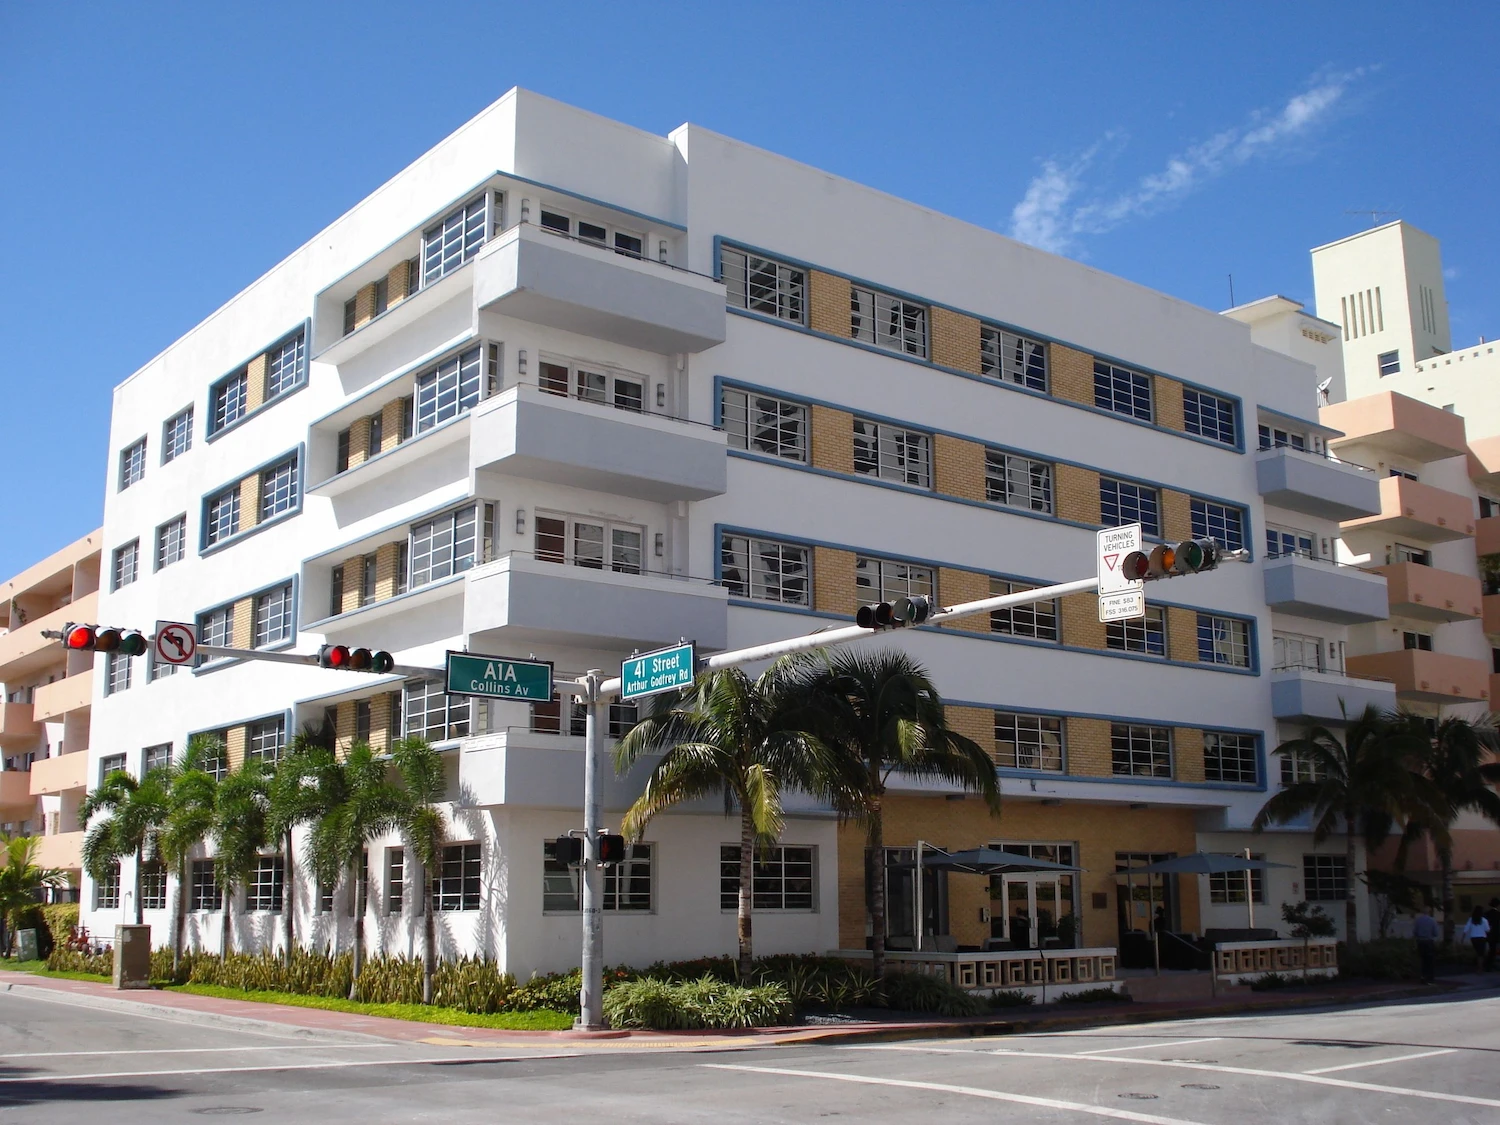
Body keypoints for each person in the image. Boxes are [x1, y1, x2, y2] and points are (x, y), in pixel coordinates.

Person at [1412, 904, 1439, 984]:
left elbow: (1415, 932)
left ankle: (1422, 976)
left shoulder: (1418, 920)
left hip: (1420, 941)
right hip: (1429, 941)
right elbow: (1435, 933)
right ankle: (1429, 978)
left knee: (1423, 960)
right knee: (1430, 961)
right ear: (1429, 912)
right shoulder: (1432, 920)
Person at [1484, 898, 1500, 972]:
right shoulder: (1498, 914)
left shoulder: (1487, 914)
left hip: (1489, 934)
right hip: (1496, 934)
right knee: (1494, 950)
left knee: (1491, 949)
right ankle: (1489, 964)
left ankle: (1489, 964)